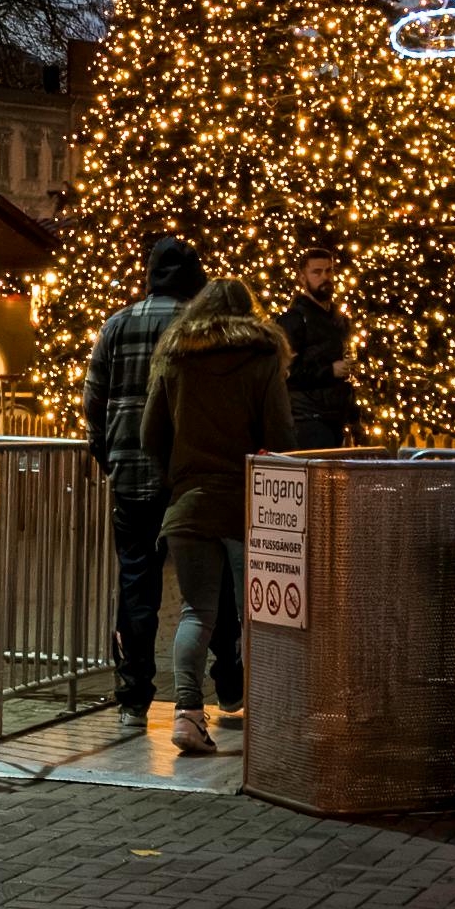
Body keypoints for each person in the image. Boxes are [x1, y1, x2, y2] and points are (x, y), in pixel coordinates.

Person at [139, 279, 295, 755]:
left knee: (196, 612)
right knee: (260, 614)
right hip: (251, 505)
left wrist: (180, 478)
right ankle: (269, 713)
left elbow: (150, 434)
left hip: (189, 505)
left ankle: (186, 714)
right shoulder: (263, 357)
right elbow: (281, 435)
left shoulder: (176, 357)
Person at [82, 234, 204, 720]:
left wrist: (105, 449)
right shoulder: (195, 326)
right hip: (184, 473)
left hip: (129, 470)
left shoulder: (117, 324)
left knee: (136, 582)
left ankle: (134, 694)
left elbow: (94, 396)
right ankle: (218, 686)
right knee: (203, 585)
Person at [282, 238, 362, 447]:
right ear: (302, 278)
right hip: (308, 418)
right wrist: (329, 371)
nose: (325, 277)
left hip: (335, 416)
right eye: (317, 272)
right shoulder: (294, 319)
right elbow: (287, 372)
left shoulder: (338, 318)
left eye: (329, 271)